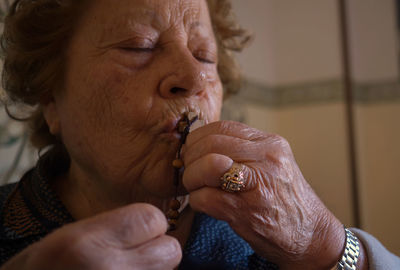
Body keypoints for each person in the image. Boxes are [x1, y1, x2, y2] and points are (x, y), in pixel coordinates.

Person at [0, 0, 399, 269]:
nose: (193, 78)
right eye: (139, 47)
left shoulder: (271, 239)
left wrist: (325, 246)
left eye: (204, 55)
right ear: (51, 96)